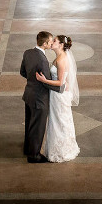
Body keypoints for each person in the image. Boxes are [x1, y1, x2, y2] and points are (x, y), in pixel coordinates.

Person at [35, 34, 80, 163]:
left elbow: (60, 82)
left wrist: (44, 80)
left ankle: (61, 151)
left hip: (58, 96)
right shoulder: (59, 57)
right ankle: (60, 149)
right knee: (58, 121)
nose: (51, 42)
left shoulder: (61, 60)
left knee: (59, 121)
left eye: (54, 41)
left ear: (60, 45)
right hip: (56, 95)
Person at [20, 31, 62, 163]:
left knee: (29, 124)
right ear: (44, 44)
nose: (51, 44)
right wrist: (60, 88)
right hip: (39, 99)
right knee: (37, 127)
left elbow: (22, 72)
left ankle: (28, 148)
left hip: (28, 95)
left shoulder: (28, 52)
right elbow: (46, 82)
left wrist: (33, 81)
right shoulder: (42, 60)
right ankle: (34, 156)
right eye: (50, 42)